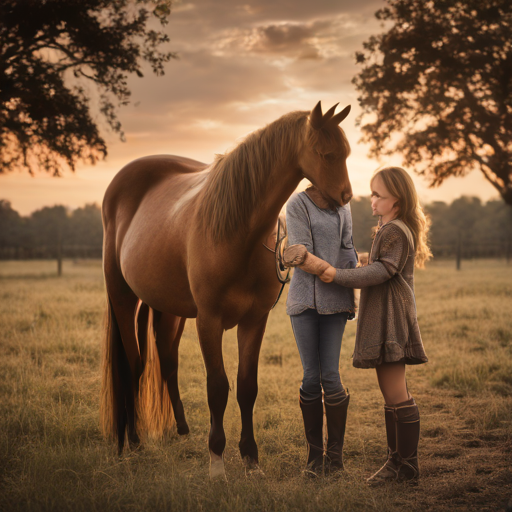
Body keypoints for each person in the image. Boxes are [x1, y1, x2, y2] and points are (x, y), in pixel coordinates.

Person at [284, 167, 431, 485]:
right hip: (385, 317)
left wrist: (334, 274)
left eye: (378, 195)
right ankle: (399, 464)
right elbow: (375, 262)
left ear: (397, 200)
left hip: (390, 319)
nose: (371, 199)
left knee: (396, 395)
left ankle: (404, 467)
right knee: (393, 395)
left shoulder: (393, 230)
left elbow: (382, 271)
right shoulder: (389, 228)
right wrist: (349, 263)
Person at [286, 185, 358, 477]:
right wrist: (327, 269)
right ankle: (315, 461)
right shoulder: (297, 204)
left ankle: (336, 460)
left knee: (331, 375)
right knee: (311, 377)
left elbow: (347, 246)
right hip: (303, 300)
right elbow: (299, 250)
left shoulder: (343, 204)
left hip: (337, 299)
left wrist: (355, 272)